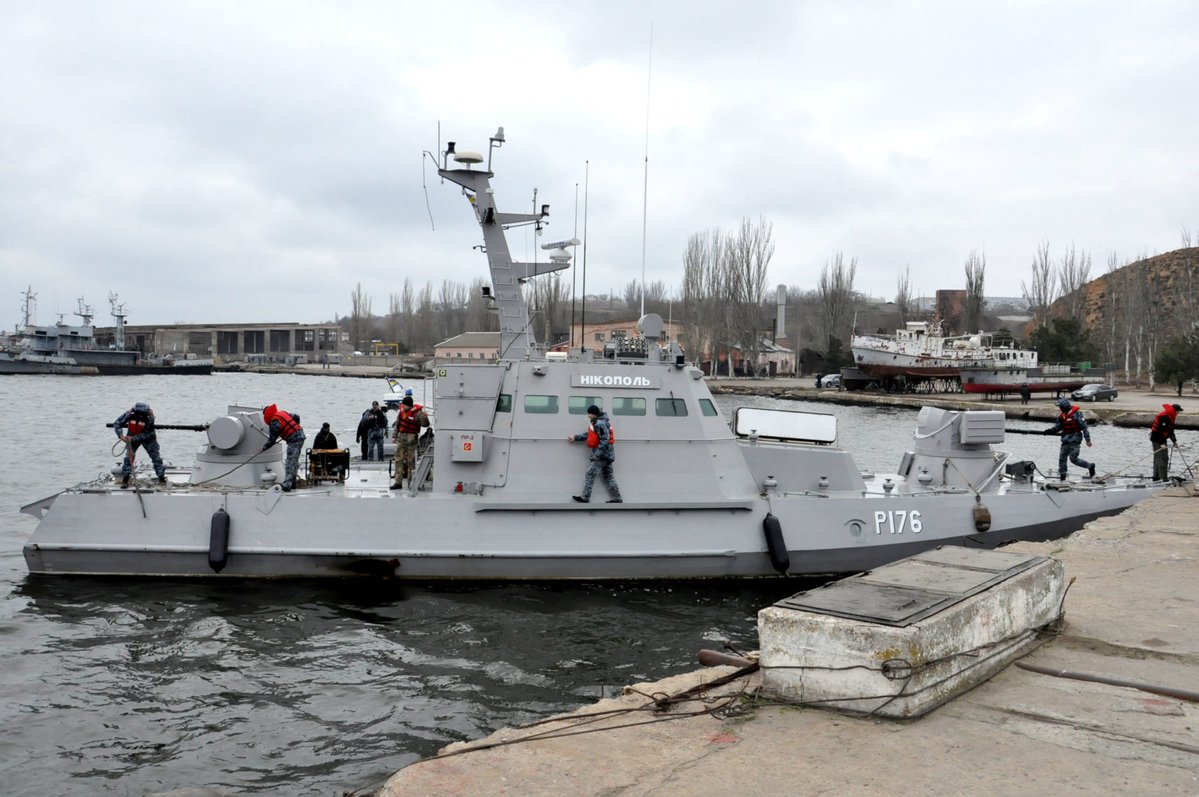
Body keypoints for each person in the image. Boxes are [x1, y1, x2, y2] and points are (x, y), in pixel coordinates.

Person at [567, 404, 622, 503]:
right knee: (608, 476)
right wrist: (575, 438)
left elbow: (605, 440)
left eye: (589, 413)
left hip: (602, 456)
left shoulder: (600, 424)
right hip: (607, 455)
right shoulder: (599, 423)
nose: (588, 415)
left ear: (594, 414)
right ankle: (617, 498)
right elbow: (589, 435)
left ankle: (585, 497)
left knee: (590, 473)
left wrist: (597, 455)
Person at [114, 402, 166, 487]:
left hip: (148, 439)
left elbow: (148, 434)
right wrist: (121, 435)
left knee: (156, 458)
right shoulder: (130, 413)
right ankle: (125, 479)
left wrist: (132, 439)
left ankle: (161, 478)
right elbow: (117, 423)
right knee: (128, 458)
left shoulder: (150, 417)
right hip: (132, 436)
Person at [1045, 397, 1095, 480]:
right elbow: (1058, 427)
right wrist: (1050, 430)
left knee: (1073, 459)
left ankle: (1090, 466)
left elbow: (1084, 427)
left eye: (1060, 406)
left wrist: (1088, 440)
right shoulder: (1062, 416)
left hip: (1075, 440)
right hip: (1065, 440)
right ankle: (1062, 475)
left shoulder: (1076, 414)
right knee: (1062, 458)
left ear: (1065, 406)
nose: (1060, 408)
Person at [261, 404, 305, 492]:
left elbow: (272, 440)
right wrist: (295, 428)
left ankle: (287, 485)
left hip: (294, 440)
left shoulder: (274, 422)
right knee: (294, 462)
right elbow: (297, 417)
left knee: (289, 462)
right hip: (301, 435)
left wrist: (263, 448)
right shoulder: (282, 413)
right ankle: (292, 482)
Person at [391, 395, 429, 490]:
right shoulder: (401, 412)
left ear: (409, 405)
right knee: (398, 460)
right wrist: (394, 436)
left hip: (412, 441)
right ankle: (398, 482)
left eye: (404, 405)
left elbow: (425, 424)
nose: (402, 406)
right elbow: (398, 424)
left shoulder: (418, 413)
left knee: (411, 462)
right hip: (401, 439)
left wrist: (424, 417)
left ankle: (411, 482)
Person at [1149, 403, 1182, 482]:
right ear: (1175, 411)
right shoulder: (1164, 417)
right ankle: (1163, 478)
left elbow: (1170, 431)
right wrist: (1161, 444)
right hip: (1158, 439)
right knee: (1163, 458)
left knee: (1158, 458)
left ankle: (1156, 477)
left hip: (1161, 439)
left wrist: (1174, 441)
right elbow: (1160, 431)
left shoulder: (1171, 417)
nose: (1178, 413)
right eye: (1178, 411)